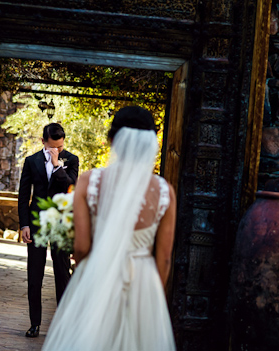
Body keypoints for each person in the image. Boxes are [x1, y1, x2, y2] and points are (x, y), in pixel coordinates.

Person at [42, 106, 177, 351]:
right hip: (143, 282)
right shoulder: (165, 191)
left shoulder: (90, 181)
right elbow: (164, 259)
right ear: (151, 142)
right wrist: (152, 298)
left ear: (112, 139)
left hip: (97, 274)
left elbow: (82, 247)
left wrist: (82, 270)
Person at [18, 122, 79, 338]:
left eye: (61, 147)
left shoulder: (71, 160)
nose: (58, 150)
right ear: (43, 142)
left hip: (61, 226)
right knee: (35, 276)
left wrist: (56, 164)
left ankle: (63, 325)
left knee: (62, 274)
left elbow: (70, 187)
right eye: (54, 147)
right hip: (36, 225)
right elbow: (24, 195)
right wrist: (24, 224)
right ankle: (35, 324)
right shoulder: (31, 161)